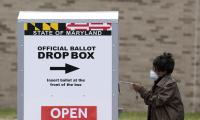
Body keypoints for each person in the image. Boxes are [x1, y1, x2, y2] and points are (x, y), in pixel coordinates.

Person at [132, 52, 184, 120]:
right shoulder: (159, 82)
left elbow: (156, 101)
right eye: (154, 68)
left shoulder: (170, 84)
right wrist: (140, 90)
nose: (154, 71)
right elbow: (149, 100)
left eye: (156, 69)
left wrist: (141, 90)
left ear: (164, 71)